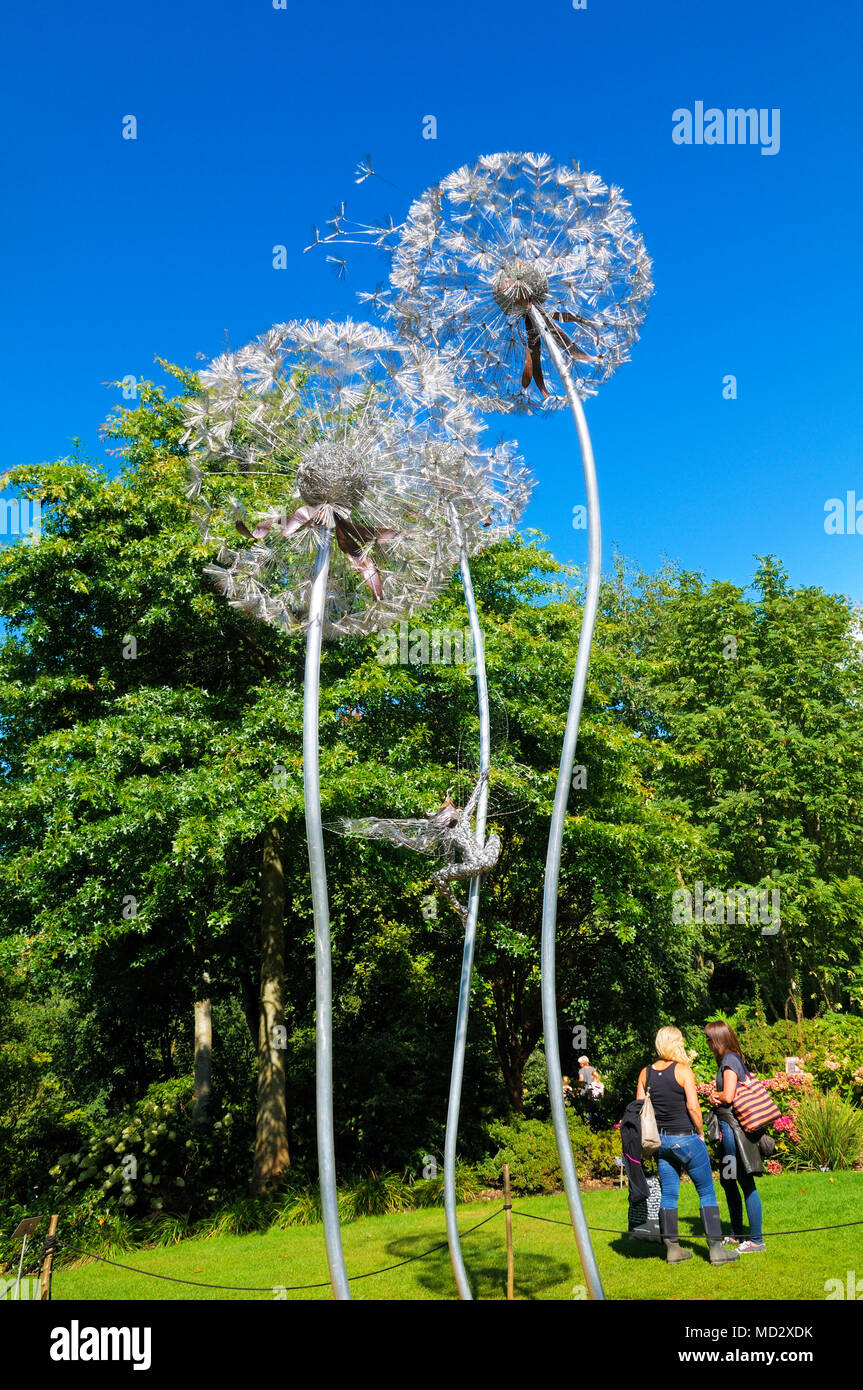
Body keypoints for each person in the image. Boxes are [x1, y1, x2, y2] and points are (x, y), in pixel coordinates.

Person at [637, 1026, 738, 1265]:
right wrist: (701, 1133)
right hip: (686, 1139)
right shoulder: (683, 1071)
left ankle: (672, 1249)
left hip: (660, 1142)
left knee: (669, 1194)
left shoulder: (645, 1073)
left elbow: (640, 1109)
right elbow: (693, 1107)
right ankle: (716, 1250)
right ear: (675, 1044)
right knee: (706, 1191)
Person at [705, 1020, 766, 1255]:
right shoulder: (730, 1060)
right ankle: (737, 1233)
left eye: (710, 1039)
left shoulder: (730, 1061)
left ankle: (756, 1240)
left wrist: (714, 1095)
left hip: (733, 1132)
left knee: (743, 1181)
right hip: (729, 1130)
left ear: (719, 1039)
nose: (708, 1044)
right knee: (729, 1181)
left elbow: (728, 1096)